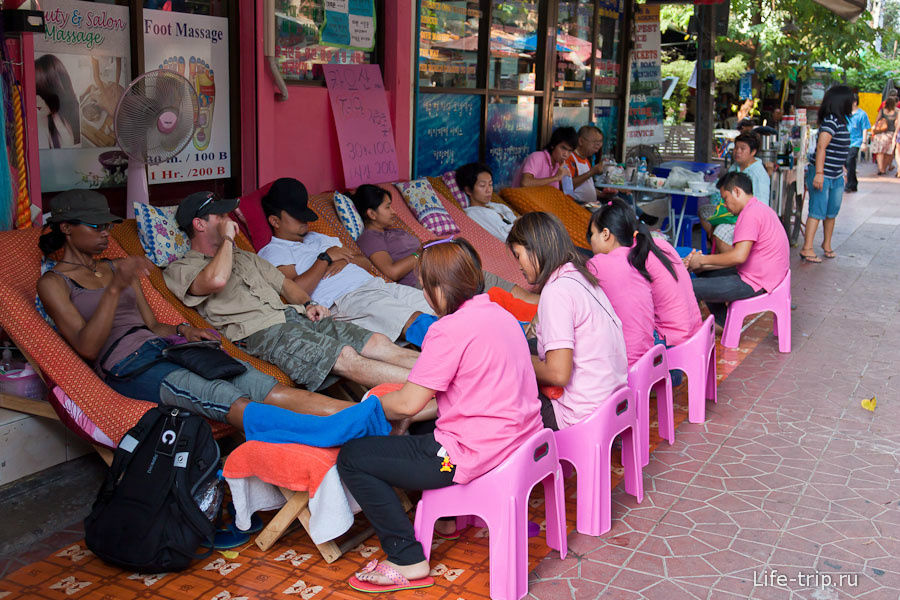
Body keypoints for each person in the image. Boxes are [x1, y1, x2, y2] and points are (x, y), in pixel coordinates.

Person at [36, 189, 420, 444]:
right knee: (232, 399)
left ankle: (377, 419)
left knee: (273, 389)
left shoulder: (118, 266)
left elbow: (153, 326)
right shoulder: (55, 282)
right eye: (96, 226)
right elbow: (87, 347)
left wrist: (185, 330)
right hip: (131, 363)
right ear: (67, 229)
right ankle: (371, 426)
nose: (106, 233)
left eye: (108, 225)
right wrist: (117, 288)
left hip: (171, 347)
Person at [337, 237, 542, 593]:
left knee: (355, 457)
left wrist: (370, 407)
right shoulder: (499, 313)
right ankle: (445, 518)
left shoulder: (448, 329)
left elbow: (406, 403)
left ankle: (406, 558)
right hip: (520, 439)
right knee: (423, 429)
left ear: (437, 288)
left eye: (424, 286)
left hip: (474, 454)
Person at [164, 191, 420, 392]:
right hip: (261, 333)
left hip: (294, 317)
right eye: (219, 217)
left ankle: (440, 373)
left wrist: (309, 304)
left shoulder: (246, 257)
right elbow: (217, 279)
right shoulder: (181, 268)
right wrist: (229, 240)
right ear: (199, 224)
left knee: (375, 341)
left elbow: (286, 285)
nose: (227, 221)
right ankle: (430, 387)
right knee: (345, 356)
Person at [257, 178, 435, 343]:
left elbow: (365, 262)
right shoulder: (274, 251)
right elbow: (295, 291)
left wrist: (343, 261)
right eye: (296, 215)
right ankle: (454, 360)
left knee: (442, 307)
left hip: (377, 285)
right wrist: (325, 259)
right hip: (346, 299)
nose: (304, 219)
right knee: (416, 322)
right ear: (275, 221)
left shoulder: (318, 237)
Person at [507, 212, 627, 430]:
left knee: (503, 397)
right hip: (614, 404)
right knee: (527, 350)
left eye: (518, 255)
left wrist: (516, 359)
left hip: (583, 416)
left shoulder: (557, 291)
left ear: (536, 249)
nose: (519, 265)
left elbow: (558, 374)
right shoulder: (579, 276)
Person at [352, 184, 534, 301]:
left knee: (484, 277)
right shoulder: (370, 238)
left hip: (440, 270)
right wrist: (423, 251)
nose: (393, 211)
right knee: (485, 283)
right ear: (371, 213)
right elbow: (392, 271)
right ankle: (533, 308)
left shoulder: (391, 231)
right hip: (428, 281)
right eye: (387, 207)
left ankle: (537, 305)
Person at [686, 172, 789, 327]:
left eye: (725, 198)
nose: (724, 204)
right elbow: (739, 258)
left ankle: (690, 334)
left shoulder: (750, 214)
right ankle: (724, 323)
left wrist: (702, 259)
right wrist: (701, 265)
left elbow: (739, 256)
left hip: (757, 282)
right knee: (701, 271)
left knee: (691, 287)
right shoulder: (758, 208)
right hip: (763, 276)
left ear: (737, 192)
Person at [586, 200, 669, 367]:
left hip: (625, 364)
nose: (591, 242)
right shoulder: (636, 259)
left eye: (592, 234)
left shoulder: (598, 264)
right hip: (649, 358)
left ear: (605, 234)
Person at [800, 85, 852, 263]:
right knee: (817, 210)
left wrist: (842, 169)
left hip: (836, 174)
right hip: (823, 173)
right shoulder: (831, 121)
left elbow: (839, 149)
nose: (852, 103)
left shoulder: (841, 120)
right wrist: (819, 173)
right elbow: (821, 147)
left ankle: (826, 245)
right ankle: (807, 248)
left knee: (831, 211)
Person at [699, 132, 771, 252]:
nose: (737, 151)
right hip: (731, 212)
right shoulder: (734, 167)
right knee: (704, 211)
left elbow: (762, 207)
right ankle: (716, 244)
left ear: (753, 152)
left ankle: (730, 255)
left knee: (719, 230)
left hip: (746, 219)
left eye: (742, 149)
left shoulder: (759, 175)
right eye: (736, 148)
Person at [453, 163, 517, 242]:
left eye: (490, 184)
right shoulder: (473, 214)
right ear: (468, 190)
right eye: (482, 185)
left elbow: (517, 222)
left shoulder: (498, 206)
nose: (489, 190)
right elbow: (505, 236)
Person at [35, 54, 81, 149]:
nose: (36, 100)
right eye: (34, 92)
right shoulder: (42, 120)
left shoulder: (73, 120)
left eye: (41, 92)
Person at [512, 126, 578, 189]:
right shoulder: (537, 157)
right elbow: (525, 183)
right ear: (553, 145)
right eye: (563, 148)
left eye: (570, 151)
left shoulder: (557, 166)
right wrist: (556, 178)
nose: (566, 154)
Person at [565, 125, 606, 205]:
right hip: (576, 204)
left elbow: (586, 186)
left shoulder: (586, 160)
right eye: (595, 142)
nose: (598, 146)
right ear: (580, 141)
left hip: (592, 204)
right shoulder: (569, 158)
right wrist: (591, 172)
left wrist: (602, 194)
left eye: (600, 143)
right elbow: (568, 186)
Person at [845, 92, 871, 193]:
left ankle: (849, 184)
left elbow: (865, 129)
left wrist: (864, 142)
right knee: (847, 163)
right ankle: (853, 183)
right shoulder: (845, 113)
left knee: (850, 160)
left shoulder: (862, 114)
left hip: (855, 142)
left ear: (855, 102)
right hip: (845, 141)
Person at [871, 95, 897, 176]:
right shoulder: (896, 112)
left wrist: (874, 131)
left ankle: (880, 168)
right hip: (890, 134)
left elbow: (877, 121)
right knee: (888, 152)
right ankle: (884, 168)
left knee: (879, 152)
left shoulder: (882, 111)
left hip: (880, 134)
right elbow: (897, 124)